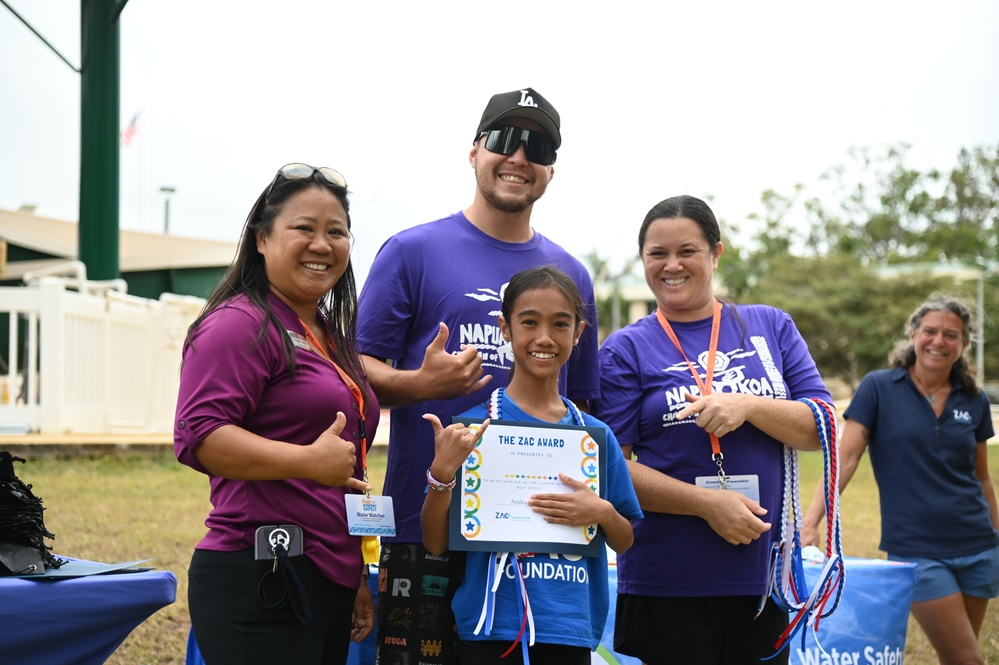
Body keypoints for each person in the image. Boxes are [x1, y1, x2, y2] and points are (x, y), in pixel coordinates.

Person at [356, 88, 600, 664]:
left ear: (550, 171)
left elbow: (587, 408)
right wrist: (420, 385)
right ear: (474, 153)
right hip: (426, 529)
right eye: (503, 140)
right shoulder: (412, 251)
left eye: (536, 146)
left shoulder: (572, 275)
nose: (518, 157)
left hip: (536, 539)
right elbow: (355, 369)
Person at [592, 195, 832, 665]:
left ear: (716, 253)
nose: (672, 265)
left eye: (688, 251)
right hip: (670, 576)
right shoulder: (625, 349)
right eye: (657, 254)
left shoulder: (770, 326)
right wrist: (706, 505)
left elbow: (820, 427)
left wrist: (749, 405)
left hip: (763, 578)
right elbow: (610, 465)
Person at [174, 163, 379, 665]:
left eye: (337, 232)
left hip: (326, 574)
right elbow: (198, 437)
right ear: (262, 239)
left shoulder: (329, 334)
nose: (322, 244)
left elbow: (341, 477)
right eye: (303, 228)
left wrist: (354, 570)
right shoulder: (238, 323)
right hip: (260, 573)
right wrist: (305, 460)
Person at [420, 266, 642, 665]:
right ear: (505, 328)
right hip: (489, 628)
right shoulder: (473, 430)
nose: (544, 338)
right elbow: (435, 542)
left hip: (567, 627)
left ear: (578, 333)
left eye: (560, 324)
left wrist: (602, 512)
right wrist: (442, 475)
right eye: (529, 322)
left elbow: (624, 539)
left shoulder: (595, 437)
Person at [802, 296, 998, 665]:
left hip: (978, 545)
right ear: (913, 334)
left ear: (965, 344)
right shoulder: (879, 388)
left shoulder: (974, 399)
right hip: (918, 548)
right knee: (967, 658)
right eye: (930, 331)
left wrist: (997, 537)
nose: (939, 341)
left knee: (957, 655)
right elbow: (846, 459)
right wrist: (812, 520)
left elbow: (982, 478)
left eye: (951, 335)